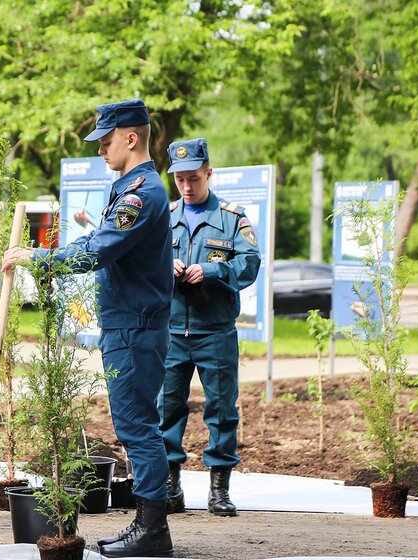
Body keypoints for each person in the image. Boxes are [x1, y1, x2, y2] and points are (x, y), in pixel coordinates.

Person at [2, 98, 174, 558]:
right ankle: (147, 524)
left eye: (106, 139)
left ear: (131, 138)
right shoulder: (131, 189)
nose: (101, 148)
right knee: (135, 423)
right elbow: (98, 241)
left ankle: (154, 532)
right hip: (129, 324)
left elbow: (96, 252)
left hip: (135, 327)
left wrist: (39, 258)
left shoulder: (142, 193)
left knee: (138, 426)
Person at [158, 138, 260, 517]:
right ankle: (171, 486)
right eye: (180, 179)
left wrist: (214, 270)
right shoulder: (164, 217)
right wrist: (162, 267)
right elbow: (141, 262)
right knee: (167, 408)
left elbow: (249, 264)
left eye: (194, 178)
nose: (187, 186)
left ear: (209, 174)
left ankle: (219, 489)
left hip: (215, 330)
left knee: (220, 410)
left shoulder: (232, 218)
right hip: (171, 332)